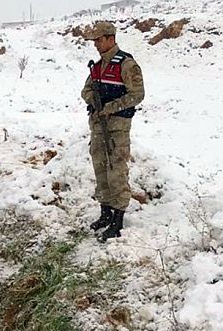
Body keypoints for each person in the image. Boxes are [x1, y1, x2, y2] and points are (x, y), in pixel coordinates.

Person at [81, 21, 145, 242]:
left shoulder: (126, 65)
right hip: (98, 127)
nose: (96, 44)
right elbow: (86, 90)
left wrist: (110, 108)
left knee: (116, 169)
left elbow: (137, 95)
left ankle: (118, 219)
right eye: (95, 41)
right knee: (100, 167)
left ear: (111, 38)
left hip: (117, 127)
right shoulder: (97, 66)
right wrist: (94, 101)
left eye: (99, 40)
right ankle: (105, 212)